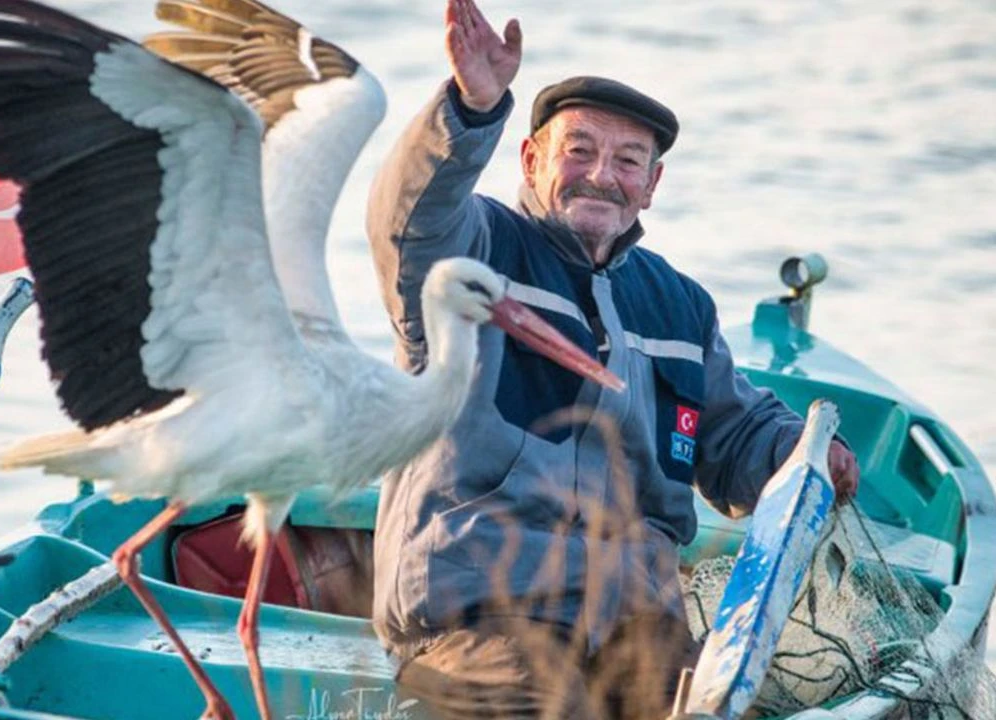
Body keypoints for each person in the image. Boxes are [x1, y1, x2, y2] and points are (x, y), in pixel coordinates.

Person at [366, 0, 861, 717]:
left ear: (652, 186)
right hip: (481, 618)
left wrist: (805, 453)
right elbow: (406, 219)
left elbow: (733, 434)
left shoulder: (679, 303)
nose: (602, 175)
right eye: (579, 150)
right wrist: (470, 109)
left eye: (628, 161)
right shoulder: (472, 249)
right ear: (532, 160)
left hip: (637, 628)